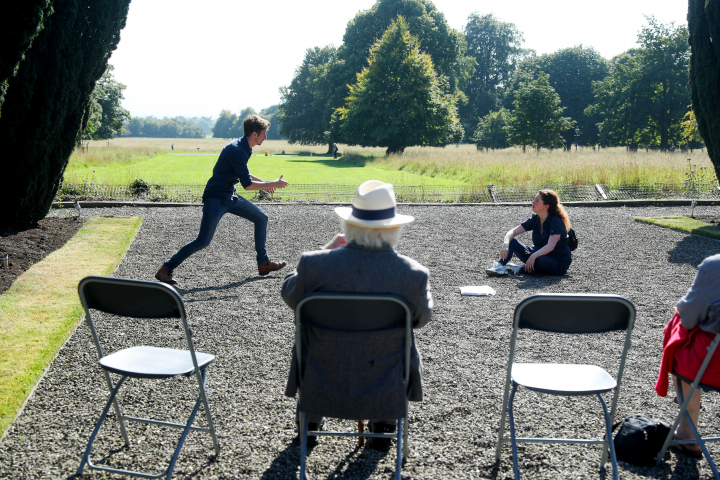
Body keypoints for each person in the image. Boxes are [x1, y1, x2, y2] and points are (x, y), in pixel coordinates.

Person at [281, 180, 433, 450]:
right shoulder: (413, 274)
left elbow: (290, 295)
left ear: (349, 224)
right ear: (394, 227)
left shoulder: (314, 264)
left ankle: (311, 420)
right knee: (398, 341)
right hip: (382, 375)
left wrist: (326, 250)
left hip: (322, 374)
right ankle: (384, 422)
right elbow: (421, 319)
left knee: (315, 341)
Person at [155, 115, 289, 285]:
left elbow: (243, 175)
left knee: (261, 218)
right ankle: (165, 269)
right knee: (203, 241)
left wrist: (265, 183)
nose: (266, 137)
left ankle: (263, 263)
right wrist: (273, 184)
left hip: (229, 196)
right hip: (216, 198)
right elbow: (247, 185)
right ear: (254, 134)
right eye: (264, 134)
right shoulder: (237, 149)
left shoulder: (244, 146)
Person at [656, 254, 720, 457]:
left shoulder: (715, 266)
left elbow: (689, 315)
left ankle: (687, 433)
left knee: (679, 334)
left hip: (712, 366)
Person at [486, 189, 572, 276]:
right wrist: (505, 244)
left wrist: (533, 256)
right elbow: (512, 232)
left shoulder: (556, 221)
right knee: (511, 242)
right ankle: (500, 266)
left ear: (546, 206)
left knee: (540, 261)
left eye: (537, 201)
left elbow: (550, 246)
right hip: (536, 255)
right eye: (534, 199)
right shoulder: (536, 218)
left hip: (556, 261)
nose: (533, 202)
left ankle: (520, 269)